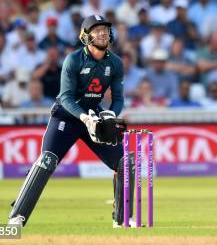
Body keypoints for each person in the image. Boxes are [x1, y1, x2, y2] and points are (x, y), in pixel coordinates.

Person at [8, 14, 128, 227]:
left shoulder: (116, 63)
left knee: (124, 163)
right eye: (97, 30)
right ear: (86, 36)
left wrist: (110, 114)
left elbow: (118, 99)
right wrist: (84, 117)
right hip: (67, 116)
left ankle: (121, 219)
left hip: (93, 117)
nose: (102, 33)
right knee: (47, 161)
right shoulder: (73, 60)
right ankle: (17, 216)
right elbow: (65, 98)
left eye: (105, 29)